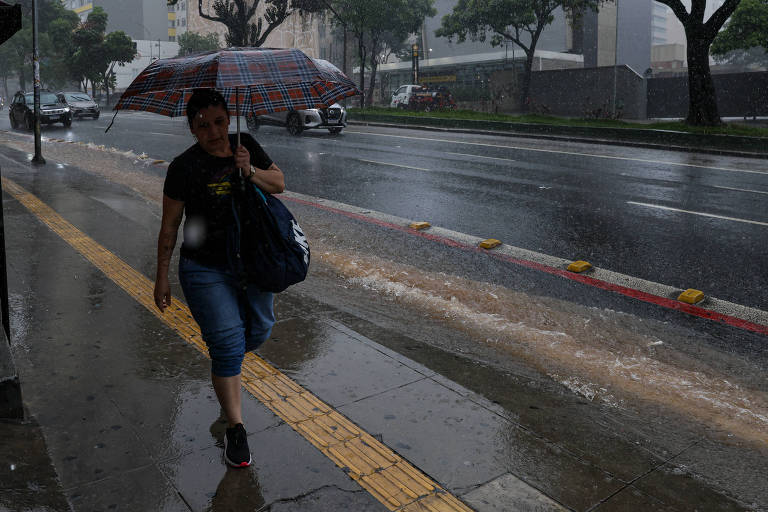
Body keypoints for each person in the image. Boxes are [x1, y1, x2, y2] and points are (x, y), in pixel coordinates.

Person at [153, 88, 285, 468]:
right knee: (227, 343)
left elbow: (279, 183)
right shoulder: (183, 167)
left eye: (219, 122)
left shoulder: (247, 146)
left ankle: (224, 369)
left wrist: (249, 169)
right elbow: (170, 226)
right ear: (192, 129)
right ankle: (235, 427)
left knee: (257, 331)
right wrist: (161, 277)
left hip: (253, 263)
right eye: (203, 125)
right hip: (203, 267)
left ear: (230, 120)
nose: (213, 132)